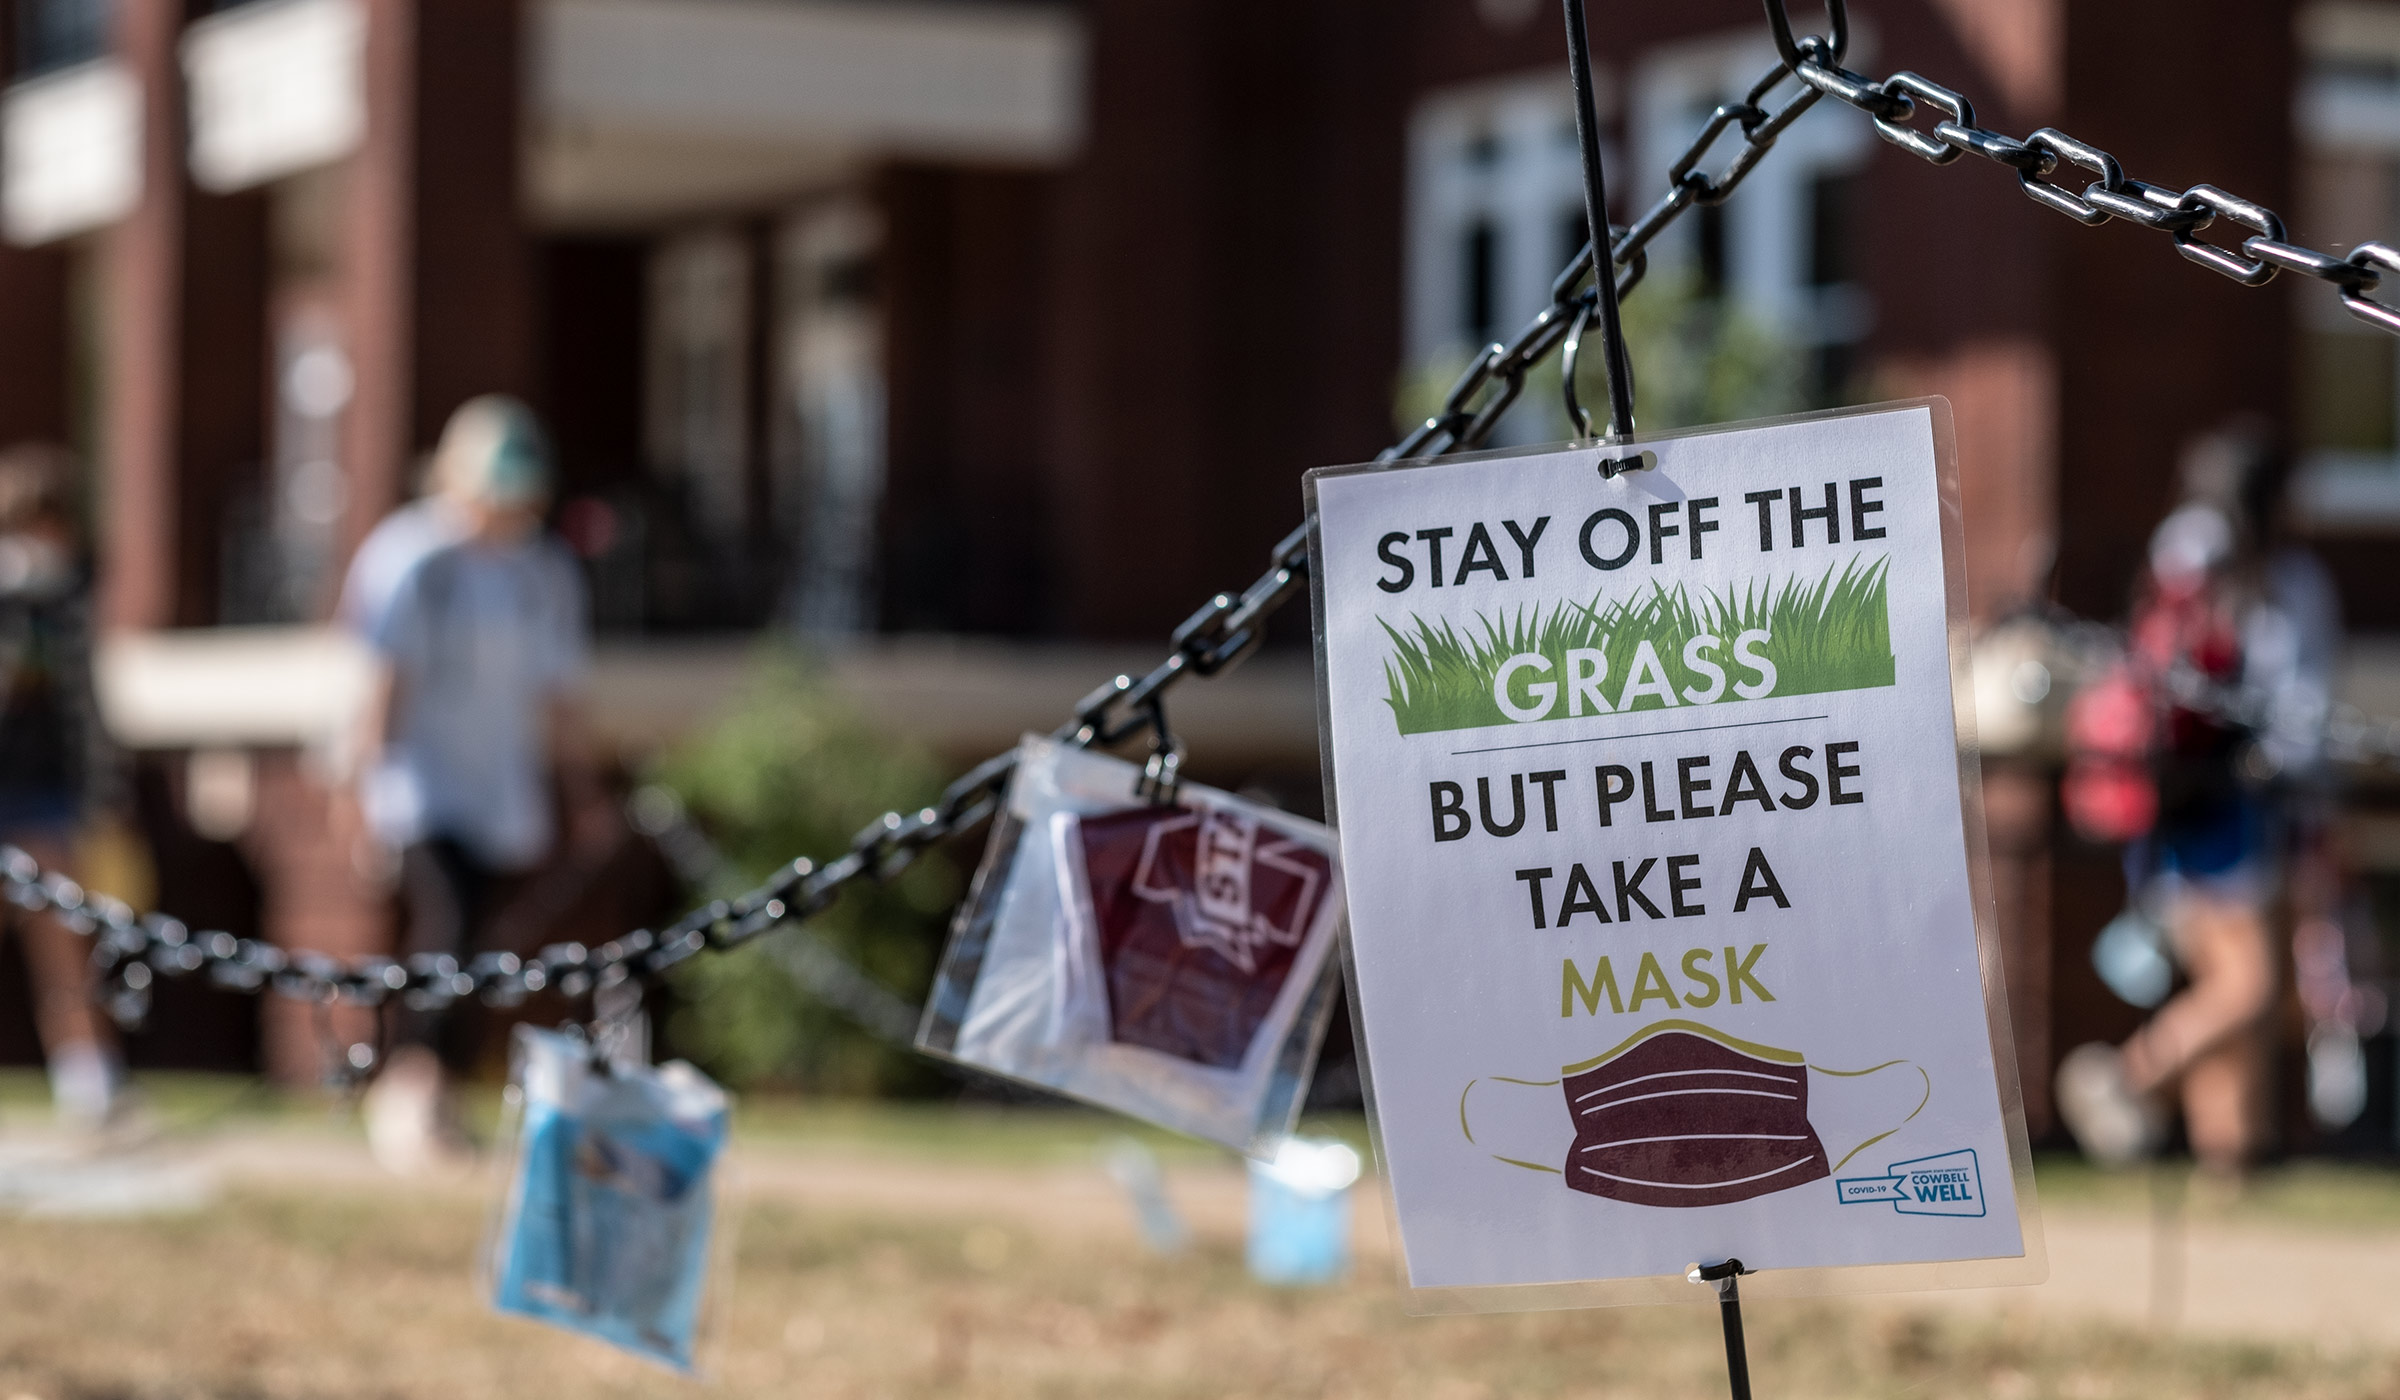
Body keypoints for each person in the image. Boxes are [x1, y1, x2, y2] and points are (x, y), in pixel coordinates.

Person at [2055, 422, 2340, 1179]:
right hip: (2238, 800)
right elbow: (2299, 705)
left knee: (2222, 981)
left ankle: (2229, 1166)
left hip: (2169, 795)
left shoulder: (2176, 552)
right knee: (2253, 987)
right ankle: (2131, 1074)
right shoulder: (2278, 576)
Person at [347, 397, 598, 1174]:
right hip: (420, 781)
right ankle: (408, 1086)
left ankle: (437, 1086)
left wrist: (582, 792)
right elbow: (383, 678)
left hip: (499, 789)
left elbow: (559, 695)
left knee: (480, 945)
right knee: (447, 925)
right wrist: (357, 787)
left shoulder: (541, 571)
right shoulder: (414, 556)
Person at [0, 443, 129, 1132]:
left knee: (65, 940)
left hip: (48, 796)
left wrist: (106, 796)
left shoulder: (70, 602)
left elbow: (87, 709)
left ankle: (88, 1079)